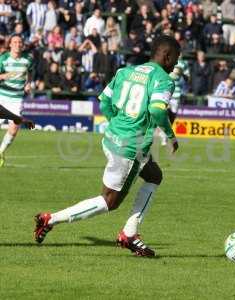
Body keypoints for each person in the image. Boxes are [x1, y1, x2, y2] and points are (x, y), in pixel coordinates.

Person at [34, 35, 181, 257]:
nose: (176, 64)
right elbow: (158, 110)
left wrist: (116, 124)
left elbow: (103, 101)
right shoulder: (163, 79)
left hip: (112, 138)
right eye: (176, 58)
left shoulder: (125, 72)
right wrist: (171, 136)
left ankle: (130, 232)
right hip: (131, 146)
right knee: (109, 202)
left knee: (154, 176)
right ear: (166, 56)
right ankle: (50, 219)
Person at [0, 34, 33, 167]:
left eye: (20, 42)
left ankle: (1, 152)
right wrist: (4, 76)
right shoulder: (3, 59)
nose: (18, 44)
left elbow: (29, 72)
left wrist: (28, 83)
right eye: (15, 42)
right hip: (2, 97)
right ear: (10, 44)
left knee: (14, 128)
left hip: (17, 99)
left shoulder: (28, 59)